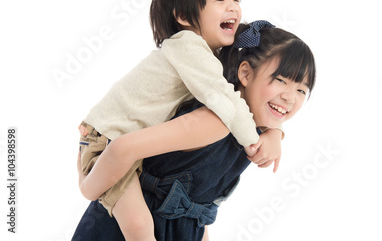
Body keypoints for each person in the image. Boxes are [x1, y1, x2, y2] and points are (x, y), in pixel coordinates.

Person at [78, 0, 282, 241]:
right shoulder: (188, 46)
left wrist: (276, 131)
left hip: (129, 150)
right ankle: (88, 185)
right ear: (184, 17)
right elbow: (226, 99)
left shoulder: (208, 58)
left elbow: (244, 98)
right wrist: (254, 141)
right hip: (106, 140)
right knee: (138, 226)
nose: (233, 7)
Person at [73, 22, 316, 241]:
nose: (289, 97)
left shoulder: (252, 135)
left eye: (301, 91)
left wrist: (276, 133)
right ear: (245, 73)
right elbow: (123, 148)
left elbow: (196, 210)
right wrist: (89, 184)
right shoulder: (213, 123)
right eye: (281, 80)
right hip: (127, 228)